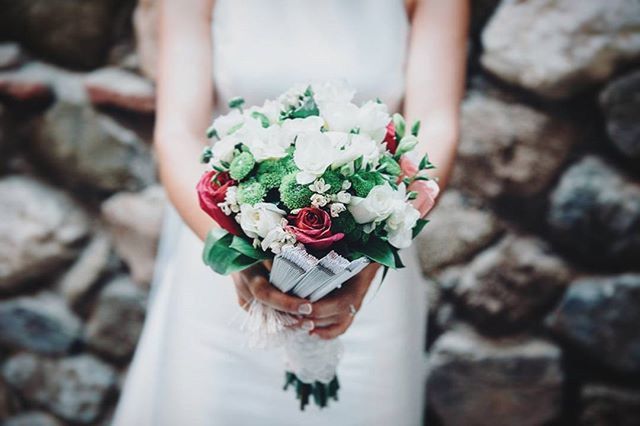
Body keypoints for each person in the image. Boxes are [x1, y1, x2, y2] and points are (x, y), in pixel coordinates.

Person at [114, 0, 468, 424]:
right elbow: (177, 134)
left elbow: (435, 123)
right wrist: (237, 256)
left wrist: (366, 264)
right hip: (221, 273)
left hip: (369, 270)